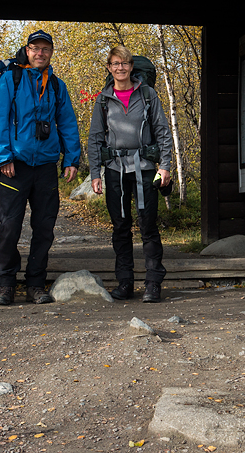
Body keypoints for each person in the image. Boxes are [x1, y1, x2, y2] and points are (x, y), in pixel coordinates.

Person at [0, 29, 81, 305]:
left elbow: (67, 123)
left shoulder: (56, 85)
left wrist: (72, 159)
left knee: (44, 228)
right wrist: (2, 157)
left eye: (45, 49)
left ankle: (36, 284)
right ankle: (6, 284)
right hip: (14, 166)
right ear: (27, 51)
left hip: (46, 167)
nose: (40, 53)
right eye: (35, 48)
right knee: (9, 227)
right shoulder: (10, 80)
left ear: (51, 53)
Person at [88, 46, 173, 303]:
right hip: (115, 171)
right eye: (115, 64)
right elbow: (94, 139)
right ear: (109, 67)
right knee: (120, 228)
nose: (120, 68)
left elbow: (162, 131)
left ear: (131, 67)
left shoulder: (147, 95)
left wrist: (165, 166)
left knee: (148, 226)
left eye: (124, 63)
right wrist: (95, 173)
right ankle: (124, 282)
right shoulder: (103, 100)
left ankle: (153, 283)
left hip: (145, 169)